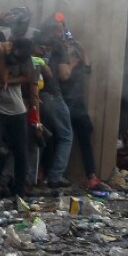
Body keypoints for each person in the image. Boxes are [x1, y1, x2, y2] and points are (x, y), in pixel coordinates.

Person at [0, 36, 38, 199]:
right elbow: (1, 76)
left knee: (21, 152)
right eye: (17, 51)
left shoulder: (25, 58)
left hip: (17, 111)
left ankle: (19, 191)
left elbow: (27, 77)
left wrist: (10, 80)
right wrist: (3, 56)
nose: (19, 55)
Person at [58, 32, 103, 190]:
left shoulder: (77, 61)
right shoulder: (61, 60)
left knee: (85, 138)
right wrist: (71, 64)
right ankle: (54, 175)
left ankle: (91, 175)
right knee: (62, 139)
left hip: (78, 105)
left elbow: (88, 69)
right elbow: (63, 76)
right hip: (65, 105)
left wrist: (82, 50)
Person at [35, 32, 73, 189]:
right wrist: (74, 63)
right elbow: (64, 75)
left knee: (42, 136)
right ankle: (55, 176)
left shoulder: (33, 53)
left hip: (37, 98)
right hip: (53, 97)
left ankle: (35, 175)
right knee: (66, 136)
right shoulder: (59, 49)